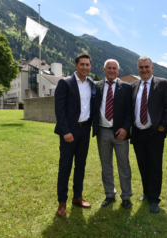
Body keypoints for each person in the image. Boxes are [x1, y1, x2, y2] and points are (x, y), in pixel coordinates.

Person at [54, 53, 98, 217]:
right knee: (65, 167)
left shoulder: (91, 83)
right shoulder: (65, 83)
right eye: (82, 64)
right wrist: (66, 131)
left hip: (85, 130)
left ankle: (77, 197)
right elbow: (59, 109)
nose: (85, 67)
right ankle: (62, 203)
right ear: (76, 65)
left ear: (90, 66)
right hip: (69, 132)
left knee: (80, 166)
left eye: (88, 65)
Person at [130, 56, 167, 213]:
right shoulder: (133, 85)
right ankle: (147, 192)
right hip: (138, 132)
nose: (144, 70)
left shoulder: (162, 84)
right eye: (141, 67)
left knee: (154, 166)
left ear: (152, 68)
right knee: (143, 165)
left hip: (155, 132)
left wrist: (163, 125)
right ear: (138, 69)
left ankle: (154, 199)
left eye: (146, 67)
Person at [92, 59, 133, 209]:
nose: (111, 70)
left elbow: (130, 111)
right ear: (104, 69)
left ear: (118, 70)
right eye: (108, 68)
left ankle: (126, 196)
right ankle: (109, 194)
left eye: (114, 68)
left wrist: (125, 128)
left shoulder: (127, 87)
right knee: (106, 165)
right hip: (102, 132)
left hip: (120, 133)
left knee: (124, 165)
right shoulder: (96, 86)